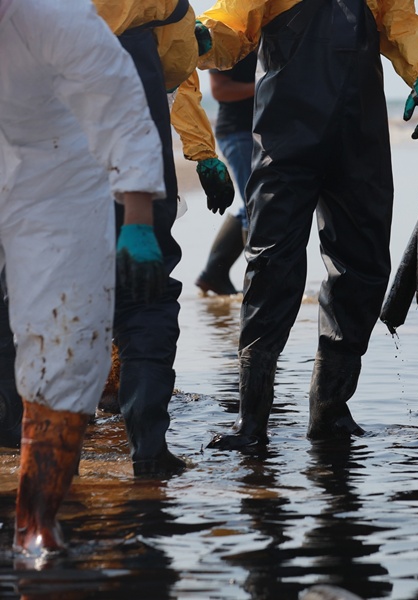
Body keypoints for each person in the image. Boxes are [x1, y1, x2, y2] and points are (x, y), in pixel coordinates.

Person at [194, 0, 418, 449]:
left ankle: (331, 409)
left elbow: (398, 19)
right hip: (286, 136)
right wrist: (205, 38)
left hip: (359, 136)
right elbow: (234, 23)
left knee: (362, 266)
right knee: (271, 264)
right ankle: (252, 423)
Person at [0, 0, 165, 555]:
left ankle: (37, 523)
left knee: (65, 344)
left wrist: (138, 217)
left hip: (57, 174)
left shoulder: (51, 14)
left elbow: (118, 100)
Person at [93, 0, 234, 477]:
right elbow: (177, 62)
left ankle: (19, 443)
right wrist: (200, 149)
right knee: (145, 298)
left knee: (29, 297)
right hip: (134, 128)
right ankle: (148, 447)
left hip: (33, 153)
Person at [195, 51, 258, 296]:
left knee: (251, 205)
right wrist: (264, 83)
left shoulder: (272, 32)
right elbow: (220, 91)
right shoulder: (228, 33)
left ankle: (213, 274)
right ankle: (255, 284)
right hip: (236, 133)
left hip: (265, 132)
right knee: (254, 206)